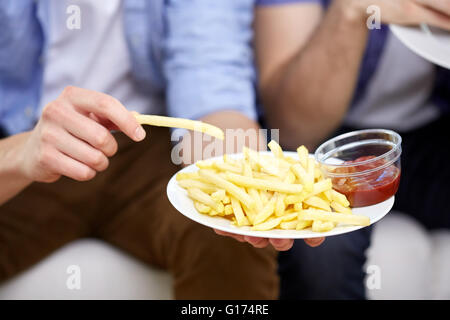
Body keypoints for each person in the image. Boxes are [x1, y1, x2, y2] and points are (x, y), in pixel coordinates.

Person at [0, 0, 308, 299]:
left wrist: (247, 184)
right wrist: (20, 154)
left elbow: (211, 76)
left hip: (150, 151)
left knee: (228, 231)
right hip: (21, 146)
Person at [252, 0, 450, 299]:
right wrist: (350, 11)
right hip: (328, 139)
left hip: (434, 131)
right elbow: (294, 129)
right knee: (320, 247)